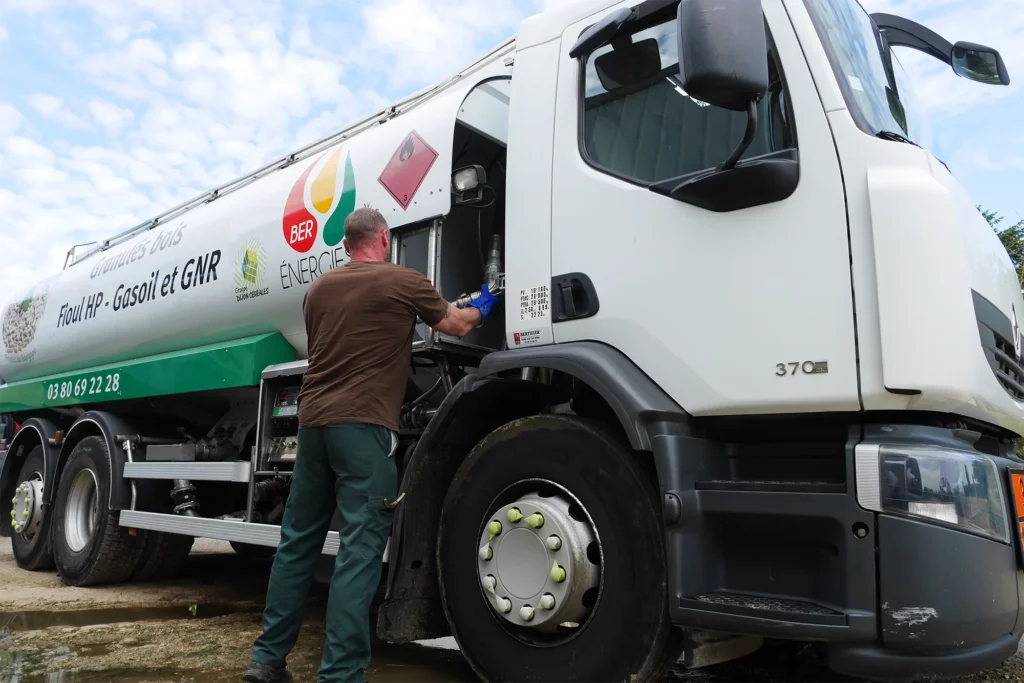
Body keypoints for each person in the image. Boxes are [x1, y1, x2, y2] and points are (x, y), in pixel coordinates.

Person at [243, 208, 497, 683]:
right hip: (363, 427)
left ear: (346, 245)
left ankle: (266, 661)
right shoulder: (403, 280)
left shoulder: (318, 290)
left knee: (297, 543)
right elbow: (458, 326)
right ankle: (339, 675)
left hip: (313, 425)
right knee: (359, 551)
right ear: (384, 238)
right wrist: (485, 302)